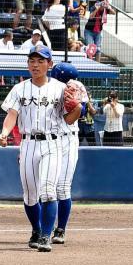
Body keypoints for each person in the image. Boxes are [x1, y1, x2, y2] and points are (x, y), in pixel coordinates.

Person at [0, 45, 81, 252]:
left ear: (49, 64)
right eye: (32, 61)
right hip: (27, 144)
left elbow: (69, 120)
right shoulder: (19, 88)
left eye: (40, 61)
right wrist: (5, 132)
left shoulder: (61, 89)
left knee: (48, 191)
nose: (35, 65)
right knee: (30, 194)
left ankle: (46, 236)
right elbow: (12, 115)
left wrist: (78, 108)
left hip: (52, 143)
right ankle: (36, 229)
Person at [49, 62, 87, 245]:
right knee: (46, 187)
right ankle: (43, 229)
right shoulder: (47, 87)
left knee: (62, 187)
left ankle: (61, 229)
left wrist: (78, 106)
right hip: (49, 138)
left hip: (69, 138)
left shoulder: (77, 86)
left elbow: (84, 110)